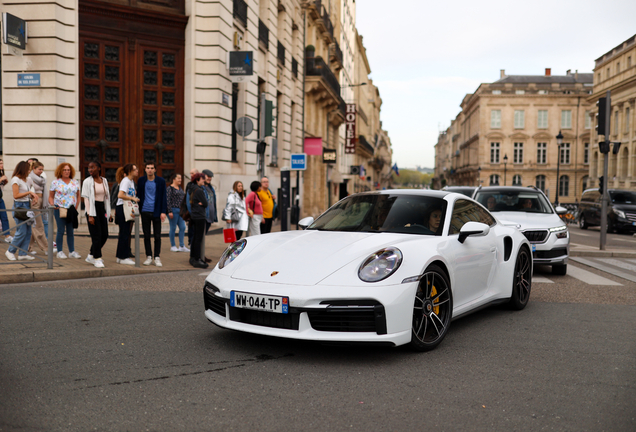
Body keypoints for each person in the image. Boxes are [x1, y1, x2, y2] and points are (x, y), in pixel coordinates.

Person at [5, 161, 37, 261]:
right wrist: (29, 192)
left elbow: (32, 189)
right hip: (19, 206)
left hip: (27, 205)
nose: (29, 171)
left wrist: (33, 197)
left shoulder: (28, 179)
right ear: (23, 169)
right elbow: (16, 195)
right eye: (28, 169)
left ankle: (23, 253)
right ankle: (10, 251)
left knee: (28, 232)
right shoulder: (16, 179)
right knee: (21, 231)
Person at [49, 162, 81, 259]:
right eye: (64, 170)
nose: (67, 172)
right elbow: (51, 196)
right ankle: (60, 251)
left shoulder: (75, 182)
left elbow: (78, 196)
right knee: (60, 230)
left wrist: (76, 207)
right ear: (60, 171)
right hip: (60, 208)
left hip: (71, 209)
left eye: (68, 170)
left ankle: (72, 251)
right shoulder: (55, 183)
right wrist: (52, 205)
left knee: (70, 231)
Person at [137, 163, 167, 267]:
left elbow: (164, 197)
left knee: (157, 236)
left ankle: (157, 257)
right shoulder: (141, 180)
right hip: (145, 210)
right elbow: (138, 195)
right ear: (145, 169)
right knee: (146, 235)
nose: (150, 170)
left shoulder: (161, 181)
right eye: (148, 168)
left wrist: (163, 211)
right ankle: (149, 256)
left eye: (152, 168)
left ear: (155, 170)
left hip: (157, 212)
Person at [81, 161, 110, 268]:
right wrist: (90, 215)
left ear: (98, 168)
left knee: (105, 235)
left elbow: (106, 197)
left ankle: (91, 255)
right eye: (89, 168)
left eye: (93, 167)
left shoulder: (104, 181)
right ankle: (97, 258)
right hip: (92, 210)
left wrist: (108, 212)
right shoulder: (87, 182)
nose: (90, 170)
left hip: (102, 209)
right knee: (96, 235)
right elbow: (86, 199)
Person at [115, 164, 139, 265]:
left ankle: (121, 256)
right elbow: (120, 195)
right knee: (124, 233)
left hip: (127, 208)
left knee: (125, 233)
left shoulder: (131, 182)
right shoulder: (126, 181)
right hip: (122, 208)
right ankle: (123, 257)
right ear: (129, 171)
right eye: (135, 169)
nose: (137, 170)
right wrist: (132, 198)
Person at [28, 161, 49, 255]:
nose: (41, 171)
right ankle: (46, 248)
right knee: (38, 225)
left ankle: (28, 248)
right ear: (34, 169)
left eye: (42, 169)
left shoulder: (42, 178)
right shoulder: (30, 178)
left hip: (41, 200)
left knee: (33, 225)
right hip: (34, 201)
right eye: (39, 169)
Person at [189, 173, 208, 269]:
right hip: (199, 216)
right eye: (202, 179)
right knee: (198, 238)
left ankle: (193, 257)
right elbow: (205, 203)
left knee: (195, 237)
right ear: (197, 180)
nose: (203, 180)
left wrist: (202, 203)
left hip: (194, 216)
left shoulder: (192, 188)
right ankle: (197, 258)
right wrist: (203, 203)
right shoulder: (199, 190)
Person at [167, 173, 188, 252]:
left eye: (181, 178)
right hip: (173, 210)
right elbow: (167, 200)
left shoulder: (180, 188)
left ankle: (182, 245)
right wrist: (169, 211)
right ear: (174, 179)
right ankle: (173, 245)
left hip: (180, 211)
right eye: (178, 178)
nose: (180, 180)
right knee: (173, 227)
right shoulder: (170, 189)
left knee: (183, 227)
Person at [0, 157, 13, 244]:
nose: (2, 165)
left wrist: (5, 181)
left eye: (2, 163)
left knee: (4, 217)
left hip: (0, 198)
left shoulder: (1, 173)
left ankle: (7, 235)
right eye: (0, 163)